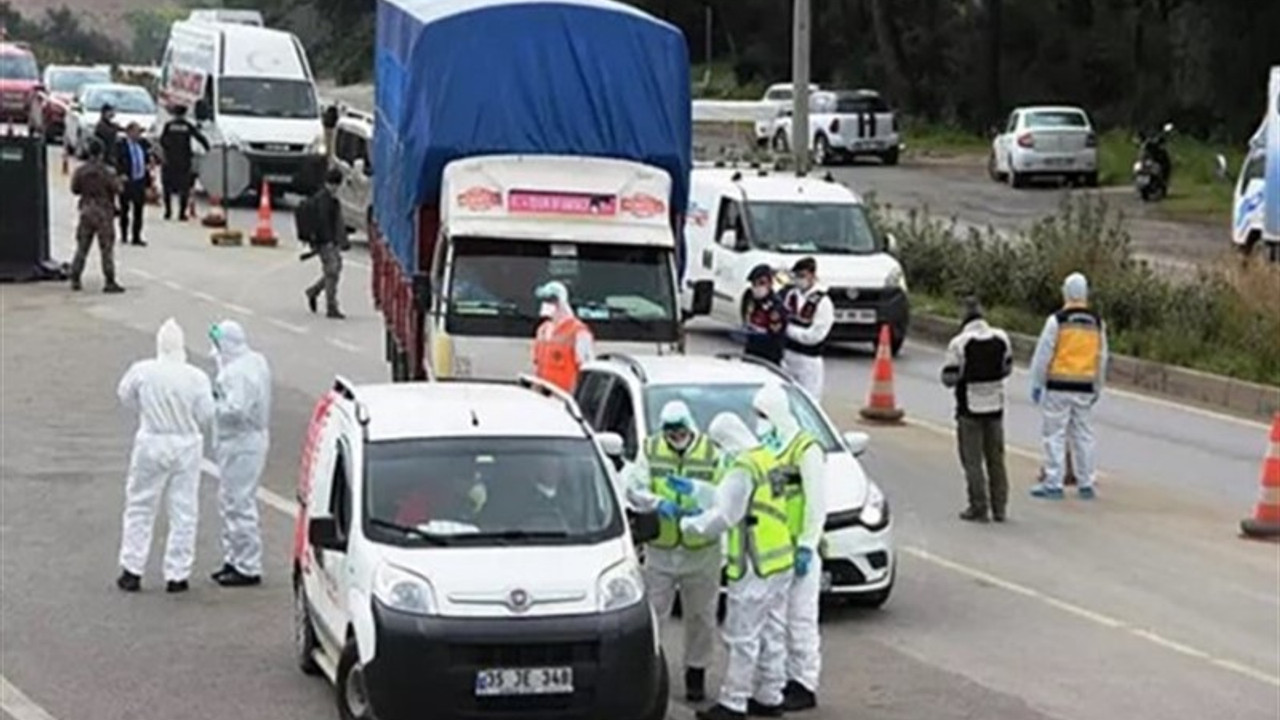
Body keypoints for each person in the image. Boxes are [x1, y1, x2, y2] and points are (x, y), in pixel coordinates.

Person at [680, 412, 793, 720]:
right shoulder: (767, 459)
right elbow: (736, 498)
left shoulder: (742, 468)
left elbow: (724, 516)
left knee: (743, 635)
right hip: (779, 560)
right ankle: (770, 696)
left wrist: (689, 526)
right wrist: (697, 489)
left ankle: (734, 702)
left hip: (753, 562)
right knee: (772, 630)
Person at [624, 401, 722, 702]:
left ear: (689, 425)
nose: (674, 435)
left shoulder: (711, 451)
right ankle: (650, 671)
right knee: (654, 616)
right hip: (661, 548)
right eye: (669, 431)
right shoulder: (651, 449)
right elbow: (634, 488)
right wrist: (657, 503)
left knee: (701, 617)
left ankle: (696, 674)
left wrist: (699, 501)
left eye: (679, 429)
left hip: (701, 550)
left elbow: (724, 496)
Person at [116, 318, 215, 593]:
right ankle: (177, 574)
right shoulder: (196, 377)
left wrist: (147, 410)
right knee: (184, 510)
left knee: (140, 505)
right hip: (186, 443)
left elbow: (124, 395)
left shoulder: (143, 371)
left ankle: (132, 568)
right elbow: (207, 415)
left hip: (151, 439)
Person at [753, 382, 826, 711]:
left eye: (762, 415)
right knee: (774, 622)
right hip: (775, 552)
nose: (758, 421)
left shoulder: (805, 449)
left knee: (801, 620)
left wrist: (808, 544)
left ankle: (804, 682)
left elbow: (816, 503)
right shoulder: (770, 448)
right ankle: (777, 682)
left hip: (800, 550)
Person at [1029, 272, 1109, 499]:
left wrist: (1037, 381)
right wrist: (1098, 385)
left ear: (1066, 292)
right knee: (1083, 435)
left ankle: (1053, 482)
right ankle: (1086, 483)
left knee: (1054, 434)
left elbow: (1044, 353)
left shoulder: (1058, 320)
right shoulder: (1097, 322)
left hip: (1059, 385)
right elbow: (1101, 356)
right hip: (1084, 385)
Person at [209, 320, 272, 587]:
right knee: (229, 500)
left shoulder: (238, 373)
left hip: (241, 441)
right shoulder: (254, 361)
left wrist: (210, 403)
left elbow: (236, 410)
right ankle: (234, 558)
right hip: (242, 441)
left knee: (238, 502)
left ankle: (247, 564)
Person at [941, 297, 1014, 522]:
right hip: (995, 408)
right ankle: (1000, 508)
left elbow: (949, 378)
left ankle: (978, 506)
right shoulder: (1002, 338)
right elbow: (1007, 368)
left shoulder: (959, 343)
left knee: (972, 461)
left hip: (968, 410)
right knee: (996, 459)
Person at [69, 138, 124, 293]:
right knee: (106, 248)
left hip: (86, 209)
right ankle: (109, 280)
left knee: (82, 247)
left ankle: (75, 278)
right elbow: (117, 189)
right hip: (103, 211)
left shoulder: (81, 170)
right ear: (101, 153)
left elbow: (74, 189)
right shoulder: (107, 171)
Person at [780, 257, 835, 401]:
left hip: (808, 361)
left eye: (803, 276)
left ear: (812, 275)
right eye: (797, 276)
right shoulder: (791, 296)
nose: (799, 280)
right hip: (788, 357)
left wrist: (788, 331)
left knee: (809, 400)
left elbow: (815, 336)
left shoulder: (822, 302)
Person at [303, 168, 350, 318]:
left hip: (327, 241)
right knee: (332, 272)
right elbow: (325, 223)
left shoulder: (327, 198)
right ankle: (331, 306)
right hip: (326, 242)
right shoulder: (325, 201)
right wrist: (330, 241)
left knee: (334, 271)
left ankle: (314, 291)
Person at [531, 280, 594, 393]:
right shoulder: (542, 330)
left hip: (565, 397)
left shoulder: (579, 332)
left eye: (550, 301)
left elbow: (586, 370)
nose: (545, 305)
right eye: (543, 301)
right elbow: (538, 366)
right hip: (542, 398)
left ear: (561, 302)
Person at [158, 105, 209, 221]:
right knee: (184, 188)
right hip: (184, 161)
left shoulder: (169, 125)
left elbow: (162, 141)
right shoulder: (187, 126)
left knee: (167, 188)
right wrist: (208, 149)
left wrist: (167, 151)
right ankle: (181, 213)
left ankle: (168, 212)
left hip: (170, 161)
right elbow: (200, 138)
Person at [113, 121, 153, 246]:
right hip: (127, 181)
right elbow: (116, 161)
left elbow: (147, 161)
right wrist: (120, 175)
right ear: (129, 132)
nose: (138, 135)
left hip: (139, 181)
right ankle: (124, 235)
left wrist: (148, 182)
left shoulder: (143, 145)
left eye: (139, 132)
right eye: (136, 132)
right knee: (125, 209)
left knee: (139, 210)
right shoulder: (121, 145)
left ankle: (136, 236)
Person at [741, 263, 787, 365]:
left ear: (770, 283)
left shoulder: (775, 306)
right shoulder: (751, 301)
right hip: (751, 351)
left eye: (761, 283)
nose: (757, 287)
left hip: (768, 355)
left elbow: (774, 335)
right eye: (754, 284)